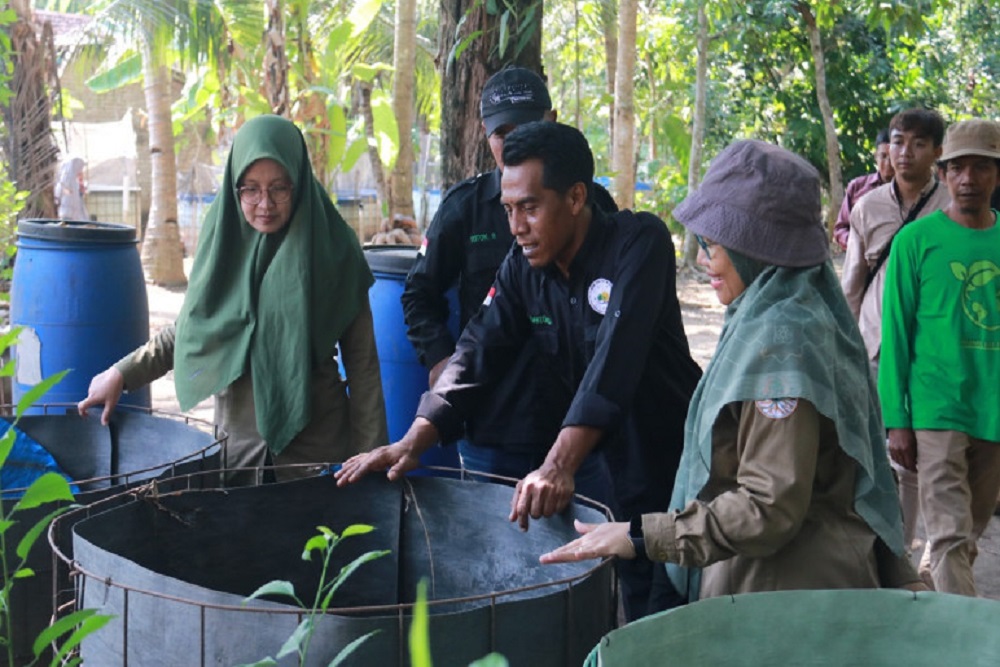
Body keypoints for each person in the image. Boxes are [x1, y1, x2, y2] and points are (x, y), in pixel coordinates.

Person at [338, 121, 702, 620]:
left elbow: (613, 364)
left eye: (530, 208)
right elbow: (475, 353)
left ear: (576, 198)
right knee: (606, 607)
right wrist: (412, 440)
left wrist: (555, 466)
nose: (516, 226)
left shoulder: (641, 244)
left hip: (668, 465)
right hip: (599, 468)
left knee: (668, 610)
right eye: (509, 210)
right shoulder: (523, 267)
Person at [539, 140, 921, 602]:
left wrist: (643, 536)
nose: (703, 261)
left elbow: (769, 505)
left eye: (712, 244)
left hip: (782, 596)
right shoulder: (780, 307)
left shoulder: (783, 343)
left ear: (754, 248)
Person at [77, 114, 388, 485]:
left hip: (317, 455)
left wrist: (370, 456)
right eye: (250, 189)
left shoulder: (334, 250)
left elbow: (363, 363)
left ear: (299, 183)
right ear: (234, 186)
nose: (264, 204)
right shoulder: (223, 242)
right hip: (235, 452)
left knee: (320, 544)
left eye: (279, 188)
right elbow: (192, 330)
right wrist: (122, 374)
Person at [401, 67, 618, 495]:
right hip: (493, 426)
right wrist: (442, 365)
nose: (519, 226)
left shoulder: (604, 216)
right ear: (486, 136)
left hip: (579, 428)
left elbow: (618, 335)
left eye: (527, 127)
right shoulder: (465, 209)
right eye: (503, 134)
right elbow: (422, 297)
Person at [879, 119, 1000, 596]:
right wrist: (897, 419)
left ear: (996, 175)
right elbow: (897, 335)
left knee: (967, 533)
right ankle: (963, 644)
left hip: (992, 411)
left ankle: (929, 603)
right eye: (959, 168)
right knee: (949, 534)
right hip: (936, 409)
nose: (969, 178)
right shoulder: (915, 242)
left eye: (981, 167)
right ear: (944, 174)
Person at [840, 108, 949, 555]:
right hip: (876, 344)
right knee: (882, 452)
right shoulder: (869, 206)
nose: (906, 153)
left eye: (919, 144)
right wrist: (843, 346)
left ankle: (917, 552)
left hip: (932, 350)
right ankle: (889, 550)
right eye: (900, 141)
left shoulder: (951, 207)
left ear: (938, 153)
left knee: (925, 457)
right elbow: (852, 284)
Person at [832, 128, 894, 249]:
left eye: (892, 157)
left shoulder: (909, 191)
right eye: (883, 156)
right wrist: (857, 246)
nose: (888, 163)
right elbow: (841, 229)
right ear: (876, 156)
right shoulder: (857, 187)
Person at [54, 155, 90, 221]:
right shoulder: (66, 180)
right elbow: (60, 194)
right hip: (67, 212)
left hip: (76, 212)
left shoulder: (76, 181)